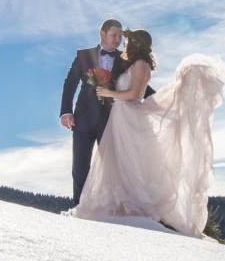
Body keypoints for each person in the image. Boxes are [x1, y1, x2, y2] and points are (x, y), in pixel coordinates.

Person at [72, 29, 225, 237]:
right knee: (122, 162)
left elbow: (132, 94)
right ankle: (118, 203)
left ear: (136, 44)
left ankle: (136, 206)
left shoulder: (140, 65)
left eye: (128, 41)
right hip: (121, 116)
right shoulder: (134, 64)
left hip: (128, 116)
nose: (125, 44)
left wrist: (108, 92)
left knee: (130, 162)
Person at [60, 19, 155, 206]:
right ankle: (79, 208)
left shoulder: (126, 59)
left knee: (112, 168)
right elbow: (70, 83)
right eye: (114, 35)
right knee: (79, 167)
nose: (118, 40)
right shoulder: (83, 55)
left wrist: (164, 100)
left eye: (121, 36)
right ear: (102, 34)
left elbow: (140, 84)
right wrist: (66, 112)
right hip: (82, 120)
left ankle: (112, 207)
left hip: (112, 121)